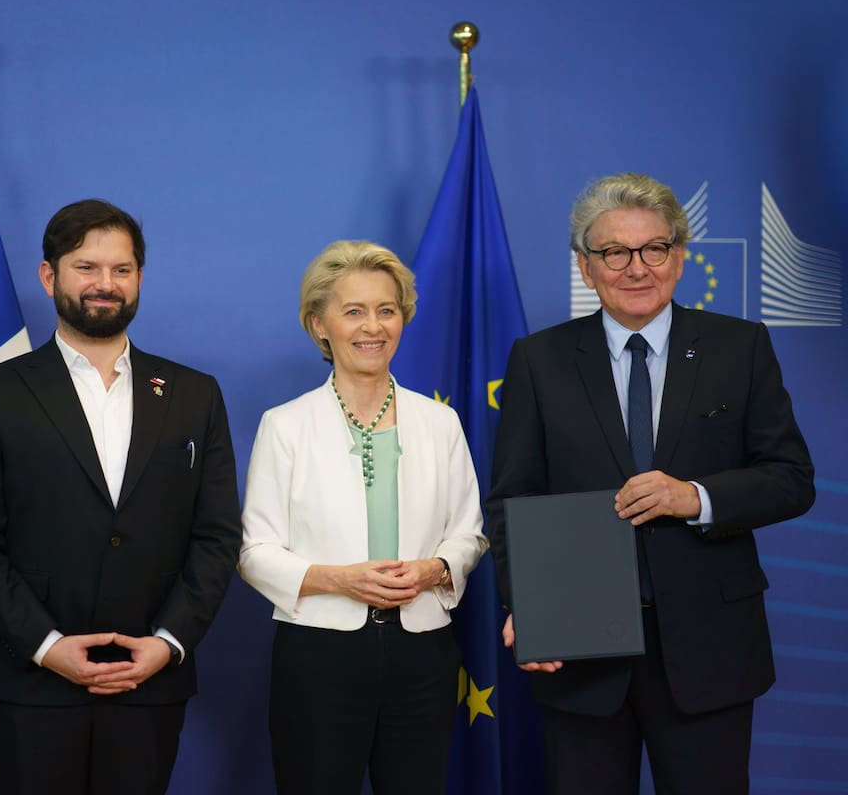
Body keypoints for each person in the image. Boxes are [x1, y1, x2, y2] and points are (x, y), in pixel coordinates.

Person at [488, 172, 815, 794]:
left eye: (654, 249)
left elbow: (791, 479)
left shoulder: (740, 347)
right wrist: (528, 602)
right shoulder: (539, 360)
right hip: (579, 645)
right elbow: (513, 497)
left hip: (710, 647)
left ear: (679, 258)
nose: (636, 268)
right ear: (586, 267)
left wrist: (696, 497)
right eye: (615, 252)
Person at [0, 198, 241, 795]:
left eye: (121, 269)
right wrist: (47, 647)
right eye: (86, 267)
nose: (106, 284)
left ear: (139, 278)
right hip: (32, 682)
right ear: (48, 275)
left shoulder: (194, 395)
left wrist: (166, 644)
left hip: (148, 680)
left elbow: (217, 537)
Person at [239, 240, 488, 794]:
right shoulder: (285, 425)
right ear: (319, 324)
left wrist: (433, 569)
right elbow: (254, 552)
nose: (372, 327)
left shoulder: (440, 422)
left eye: (386, 310)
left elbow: (468, 534)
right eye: (353, 311)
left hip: (422, 650)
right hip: (319, 653)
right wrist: (339, 579)